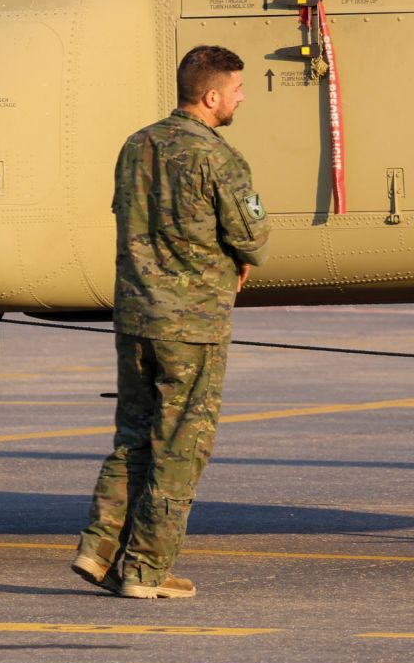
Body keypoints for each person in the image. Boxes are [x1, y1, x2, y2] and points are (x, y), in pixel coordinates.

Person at [72, 45, 270, 600]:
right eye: (236, 89)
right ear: (211, 97)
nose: (240, 97)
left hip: (136, 315)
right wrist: (242, 256)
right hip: (193, 324)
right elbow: (251, 235)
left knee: (133, 437)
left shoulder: (137, 146)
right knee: (181, 444)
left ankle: (98, 548)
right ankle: (146, 569)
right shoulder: (219, 158)